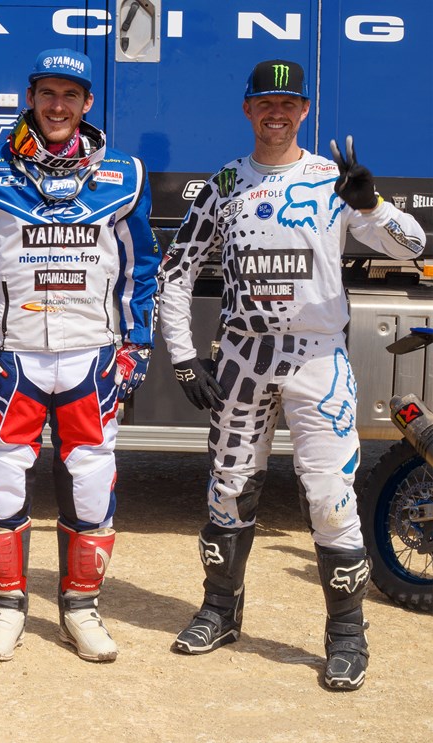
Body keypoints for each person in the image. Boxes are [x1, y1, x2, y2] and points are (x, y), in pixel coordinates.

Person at [159, 59, 426, 690]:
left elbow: (414, 248)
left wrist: (373, 204)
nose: (276, 113)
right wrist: (184, 356)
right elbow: (174, 271)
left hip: (317, 359)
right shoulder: (225, 183)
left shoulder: (334, 180)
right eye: (264, 103)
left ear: (304, 110)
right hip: (242, 356)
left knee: (331, 499)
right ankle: (220, 611)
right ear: (247, 110)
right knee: (228, 489)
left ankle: (347, 636)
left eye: (288, 103)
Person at [0, 49, 161, 662]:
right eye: (48, 94)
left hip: (92, 357)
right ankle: (7, 608)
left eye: (71, 96)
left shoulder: (125, 174)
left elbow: (143, 267)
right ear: (31, 97)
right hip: (11, 359)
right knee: (3, 483)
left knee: (91, 484)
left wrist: (138, 343)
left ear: (88, 104)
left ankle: (81, 609)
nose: (58, 106)